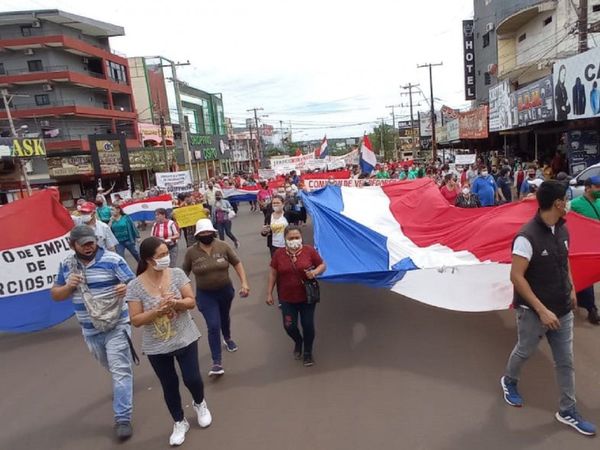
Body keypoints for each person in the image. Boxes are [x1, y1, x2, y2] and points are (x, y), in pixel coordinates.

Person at [501, 181, 596, 436]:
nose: (567, 203)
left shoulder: (563, 230)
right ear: (556, 203)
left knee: (565, 362)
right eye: (564, 199)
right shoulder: (526, 237)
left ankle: (567, 410)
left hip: (562, 309)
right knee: (524, 350)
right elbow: (516, 277)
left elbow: (564, 263)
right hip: (533, 312)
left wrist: (572, 289)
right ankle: (509, 380)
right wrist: (542, 310)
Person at [50, 225, 135, 440]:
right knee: (112, 367)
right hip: (90, 330)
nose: (89, 247)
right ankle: (123, 383)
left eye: (92, 242)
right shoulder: (67, 265)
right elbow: (56, 295)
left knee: (120, 371)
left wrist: (126, 288)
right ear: (72, 245)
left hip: (117, 324)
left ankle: (122, 418)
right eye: (84, 244)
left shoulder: (113, 260)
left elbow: (135, 284)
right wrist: (68, 286)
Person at [126, 237, 212, 446]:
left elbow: (191, 302)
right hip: (157, 345)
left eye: (166, 253)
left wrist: (176, 303)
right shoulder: (135, 286)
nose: (166, 258)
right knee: (169, 385)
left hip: (184, 336)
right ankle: (179, 421)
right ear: (148, 259)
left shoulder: (176, 274)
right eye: (161, 255)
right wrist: (157, 311)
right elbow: (135, 320)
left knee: (192, 378)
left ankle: (200, 403)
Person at [183, 219, 250, 377]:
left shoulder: (223, 246)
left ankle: (227, 337)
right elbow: (183, 273)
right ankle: (216, 362)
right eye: (203, 233)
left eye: (208, 232)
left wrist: (244, 283)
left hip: (225, 291)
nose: (206, 235)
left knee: (224, 317)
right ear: (198, 235)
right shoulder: (191, 252)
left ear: (213, 232)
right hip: (205, 295)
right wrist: (185, 294)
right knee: (213, 325)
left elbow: (237, 263)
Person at [267, 225, 326, 367]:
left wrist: (315, 272)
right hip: (287, 298)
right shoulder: (279, 254)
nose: (294, 240)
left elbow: (322, 265)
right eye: (291, 238)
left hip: (307, 297)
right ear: (285, 239)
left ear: (301, 238)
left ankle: (307, 352)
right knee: (289, 326)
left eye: (297, 237)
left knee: (308, 325)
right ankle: (298, 341)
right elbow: (273, 273)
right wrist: (269, 293)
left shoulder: (309, 251)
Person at [569, 176, 600, 324]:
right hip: (582, 248)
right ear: (588, 188)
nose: (599, 190)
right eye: (597, 187)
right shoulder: (574, 205)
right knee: (585, 277)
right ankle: (591, 309)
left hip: (597, 247)